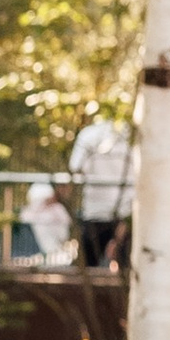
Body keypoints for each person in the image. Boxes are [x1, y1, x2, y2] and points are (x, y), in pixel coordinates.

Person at [68, 111, 135, 269]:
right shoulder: (135, 135)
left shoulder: (88, 134)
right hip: (127, 213)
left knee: (87, 267)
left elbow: (75, 167)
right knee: (127, 268)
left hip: (95, 212)